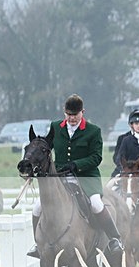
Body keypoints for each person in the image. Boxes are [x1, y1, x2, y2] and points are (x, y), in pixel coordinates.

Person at [28, 94, 123, 258]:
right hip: (59, 178)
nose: (72, 118)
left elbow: (96, 157)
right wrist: (33, 165)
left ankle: (115, 239)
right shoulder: (55, 127)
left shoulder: (93, 131)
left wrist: (76, 165)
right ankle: (38, 244)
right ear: (64, 112)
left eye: (75, 115)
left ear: (82, 112)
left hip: (86, 177)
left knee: (96, 204)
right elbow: (45, 150)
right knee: (37, 207)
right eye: (69, 114)